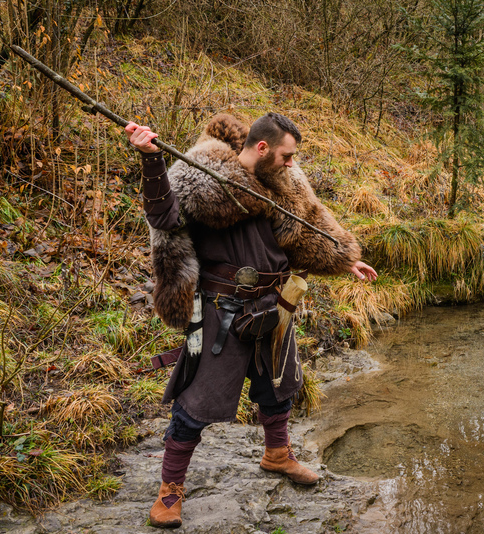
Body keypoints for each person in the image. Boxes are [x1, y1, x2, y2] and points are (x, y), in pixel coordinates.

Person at [126, 113, 377, 529]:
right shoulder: (199, 178)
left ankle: (277, 454)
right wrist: (151, 160)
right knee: (196, 404)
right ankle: (170, 490)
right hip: (223, 310)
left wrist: (345, 259)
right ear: (262, 149)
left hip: (274, 305)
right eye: (286, 156)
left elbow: (308, 224)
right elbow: (164, 216)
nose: (291, 164)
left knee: (277, 387)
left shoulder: (282, 183)